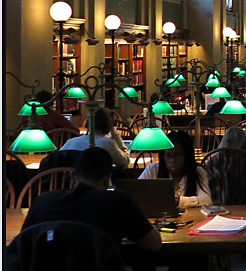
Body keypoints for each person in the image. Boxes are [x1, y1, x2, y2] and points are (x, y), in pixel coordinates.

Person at [24, 147, 160, 255]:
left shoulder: (43, 201)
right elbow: (154, 244)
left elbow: (24, 242)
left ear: (72, 175)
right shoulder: (119, 202)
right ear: (107, 180)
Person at [138, 129, 212, 207]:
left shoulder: (199, 172)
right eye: (168, 155)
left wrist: (179, 201)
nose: (172, 160)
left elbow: (207, 200)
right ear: (163, 156)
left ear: (187, 156)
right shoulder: (152, 170)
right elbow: (136, 195)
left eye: (178, 155)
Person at [59, 106, 130, 167]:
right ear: (108, 126)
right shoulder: (108, 144)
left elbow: (58, 160)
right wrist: (115, 135)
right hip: (99, 182)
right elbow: (124, 161)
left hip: (73, 182)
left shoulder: (71, 142)